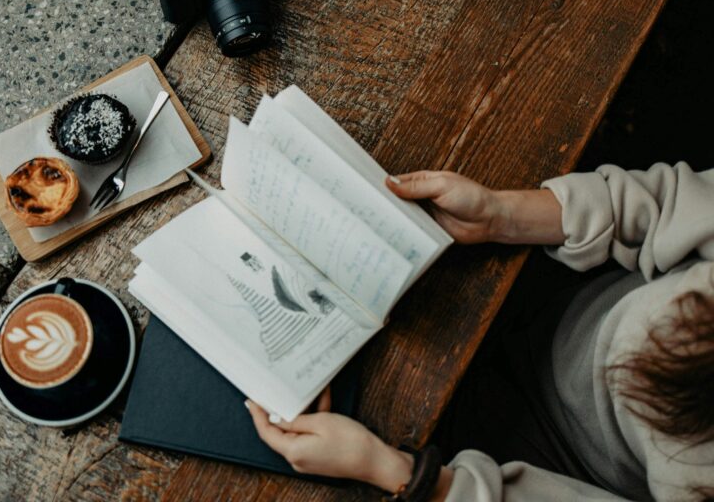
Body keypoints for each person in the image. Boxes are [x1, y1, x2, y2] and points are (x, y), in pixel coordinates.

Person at [245, 162, 714, 501]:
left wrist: (396, 474)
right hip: (564, 295)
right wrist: (502, 215)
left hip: (546, 468)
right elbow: (672, 205)